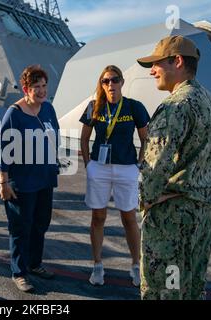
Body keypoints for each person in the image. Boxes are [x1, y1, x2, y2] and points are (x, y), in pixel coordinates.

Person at [136, 35, 211, 300]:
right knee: (190, 287)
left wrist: (147, 200)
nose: (152, 71)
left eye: (157, 64)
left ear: (177, 61)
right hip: (201, 214)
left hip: (171, 219)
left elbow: (154, 165)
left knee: (163, 288)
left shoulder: (175, 106)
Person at [79, 65, 150, 287]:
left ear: (121, 82)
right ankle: (98, 265)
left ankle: (136, 266)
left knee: (128, 218)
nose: (111, 84)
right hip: (99, 167)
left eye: (115, 80)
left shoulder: (133, 107)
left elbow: (146, 138)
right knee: (98, 217)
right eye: (106, 81)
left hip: (126, 168)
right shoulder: (94, 107)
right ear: (101, 84)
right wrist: (88, 164)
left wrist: (139, 163)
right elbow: (84, 138)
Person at [0, 65, 59, 292]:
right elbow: (2, 149)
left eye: (44, 86)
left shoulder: (48, 109)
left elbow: (55, 137)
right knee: (21, 227)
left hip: (44, 178)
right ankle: (19, 272)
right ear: (26, 89)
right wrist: (3, 182)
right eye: (36, 87)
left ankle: (34, 264)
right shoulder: (14, 113)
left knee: (41, 224)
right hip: (21, 182)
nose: (42, 91)